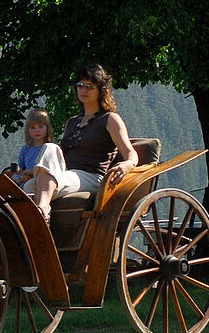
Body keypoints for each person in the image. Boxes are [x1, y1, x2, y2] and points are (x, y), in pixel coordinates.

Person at [28, 64, 139, 223]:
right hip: (68, 173)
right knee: (30, 186)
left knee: (42, 183)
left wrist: (127, 165)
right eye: (80, 85)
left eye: (89, 86)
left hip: (92, 177)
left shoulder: (110, 119)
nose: (83, 90)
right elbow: (60, 157)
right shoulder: (72, 122)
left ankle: (43, 212)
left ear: (101, 90)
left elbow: (131, 153)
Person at [9, 108, 56, 190]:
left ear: (47, 128)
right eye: (33, 128)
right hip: (25, 179)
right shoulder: (26, 149)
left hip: (42, 181)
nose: (36, 130)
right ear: (28, 130)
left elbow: (52, 170)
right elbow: (21, 168)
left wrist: (33, 172)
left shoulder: (50, 148)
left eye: (40, 127)